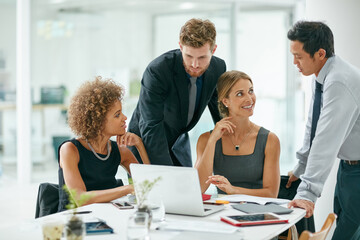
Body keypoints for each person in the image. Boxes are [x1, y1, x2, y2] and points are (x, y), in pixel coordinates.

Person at [286, 21, 360, 240]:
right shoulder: (322, 76)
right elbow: (313, 127)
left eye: (299, 56)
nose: (294, 62)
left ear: (320, 53)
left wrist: (307, 194)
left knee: (346, 233)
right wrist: (300, 167)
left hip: (357, 172)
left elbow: (326, 141)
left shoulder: (339, 81)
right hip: (348, 168)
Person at [128, 18, 226, 167]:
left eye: (202, 57)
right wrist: (166, 174)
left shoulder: (218, 68)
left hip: (179, 140)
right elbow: (151, 126)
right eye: (189, 56)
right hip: (145, 142)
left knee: (185, 186)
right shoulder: (158, 71)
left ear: (213, 50)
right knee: (159, 187)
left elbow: (219, 110)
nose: (195, 64)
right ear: (180, 47)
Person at [58, 77, 150, 211]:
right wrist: (127, 189)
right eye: (117, 115)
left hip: (106, 218)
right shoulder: (70, 150)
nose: (124, 118)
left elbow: (148, 185)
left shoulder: (121, 152)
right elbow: (80, 199)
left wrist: (139, 145)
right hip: (74, 223)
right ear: (98, 121)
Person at [195, 71, 280, 197]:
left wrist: (234, 190)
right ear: (225, 101)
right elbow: (199, 187)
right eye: (240, 94)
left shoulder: (270, 140)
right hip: (221, 213)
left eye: (251, 91)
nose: (249, 99)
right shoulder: (206, 139)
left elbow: (271, 193)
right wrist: (212, 141)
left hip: (257, 212)